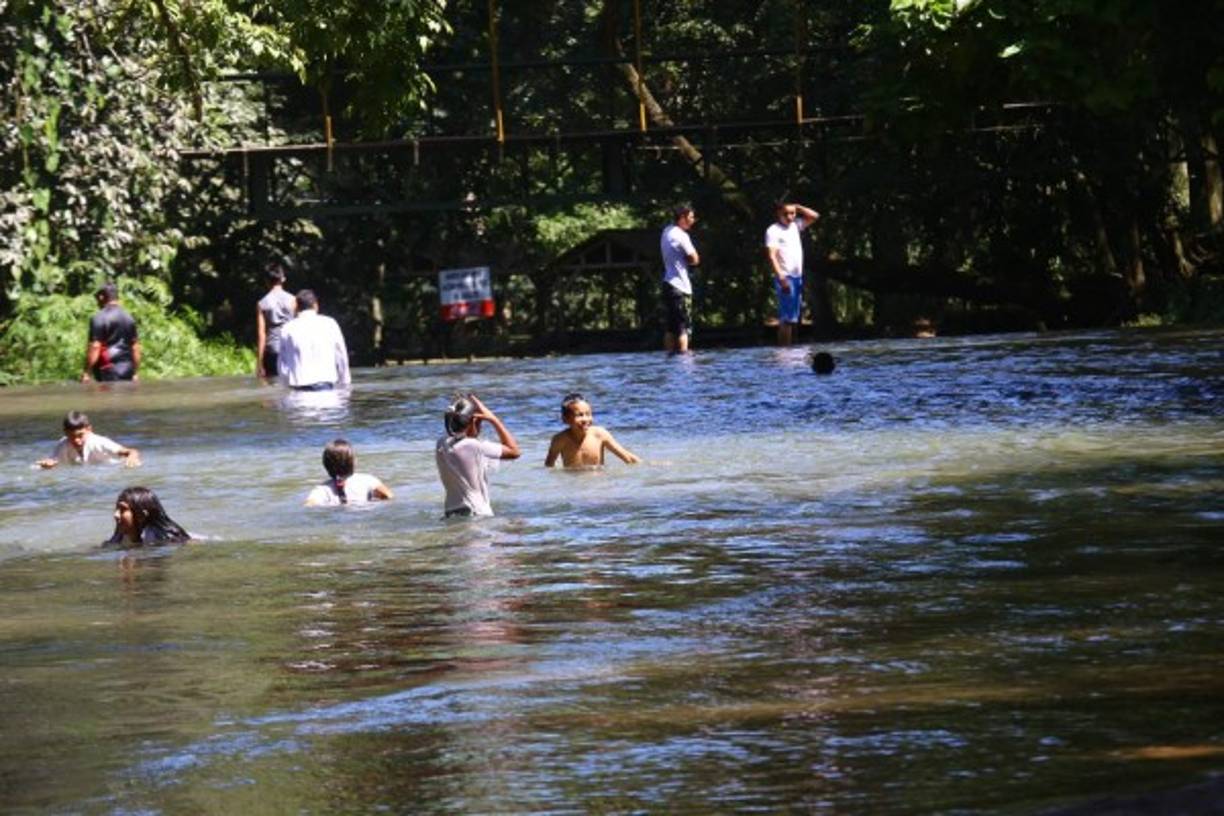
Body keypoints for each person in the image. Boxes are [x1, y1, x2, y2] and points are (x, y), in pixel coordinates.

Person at [435, 393, 520, 518]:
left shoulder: (441, 444)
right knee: (518, 528)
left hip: (450, 512)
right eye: (480, 422)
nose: (481, 427)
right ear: (473, 422)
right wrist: (493, 419)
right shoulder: (475, 446)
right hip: (476, 512)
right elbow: (515, 451)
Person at [764, 201, 820, 346]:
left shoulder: (796, 226)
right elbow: (771, 255)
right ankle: (784, 351)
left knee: (794, 318)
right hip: (785, 276)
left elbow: (815, 216)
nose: (790, 216)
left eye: (792, 213)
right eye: (786, 213)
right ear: (778, 213)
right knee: (787, 319)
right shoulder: (773, 230)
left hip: (797, 277)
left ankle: (791, 349)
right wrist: (781, 276)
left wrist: (799, 207)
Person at [277, 289, 351, 391]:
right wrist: (344, 383)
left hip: (299, 390)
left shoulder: (287, 328)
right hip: (327, 390)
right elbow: (341, 355)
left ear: (297, 307)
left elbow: (282, 364)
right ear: (316, 305)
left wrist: (286, 386)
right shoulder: (330, 323)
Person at [545, 393, 641, 468]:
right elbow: (549, 467)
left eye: (588, 414)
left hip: (597, 484)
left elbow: (627, 458)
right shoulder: (560, 440)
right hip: (573, 486)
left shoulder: (599, 434)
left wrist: (646, 468)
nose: (586, 419)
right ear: (565, 419)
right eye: (580, 415)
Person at [660, 203, 700, 354]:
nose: (693, 220)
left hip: (668, 284)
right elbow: (695, 259)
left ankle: (669, 360)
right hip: (680, 287)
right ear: (682, 218)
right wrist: (688, 260)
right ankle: (684, 362)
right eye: (691, 217)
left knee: (671, 328)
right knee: (684, 328)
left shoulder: (666, 231)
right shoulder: (682, 235)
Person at [36, 410, 141, 468]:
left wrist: (132, 457)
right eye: (71, 436)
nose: (76, 440)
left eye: (80, 435)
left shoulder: (99, 442)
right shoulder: (63, 444)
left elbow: (131, 451)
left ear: (89, 429)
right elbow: (53, 461)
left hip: (113, 468)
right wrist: (47, 465)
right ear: (65, 433)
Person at [305, 438, 393, 506]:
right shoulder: (368, 480)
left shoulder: (322, 489)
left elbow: (308, 505)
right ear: (353, 462)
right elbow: (389, 496)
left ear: (325, 464)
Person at [82, 281, 141, 382]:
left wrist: (87, 372)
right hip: (128, 370)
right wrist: (135, 372)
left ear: (101, 297)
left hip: (108, 370)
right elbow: (135, 348)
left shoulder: (99, 318)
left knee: (106, 397)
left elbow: (96, 347)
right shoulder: (129, 317)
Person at [103, 486, 190, 547]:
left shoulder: (162, 540)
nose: (116, 515)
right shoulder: (119, 536)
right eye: (116, 509)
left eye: (123, 510)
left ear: (142, 516)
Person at [256, 258, 297, 379]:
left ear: (266, 281)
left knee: (272, 388)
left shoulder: (262, 303)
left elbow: (261, 334)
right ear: (283, 278)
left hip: (272, 350)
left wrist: (259, 362)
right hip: (291, 347)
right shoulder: (294, 300)